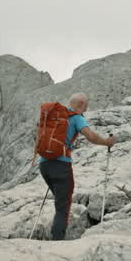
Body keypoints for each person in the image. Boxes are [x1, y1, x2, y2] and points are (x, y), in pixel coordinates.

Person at [39, 92, 114, 241]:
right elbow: (90, 136)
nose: (85, 111)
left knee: (60, 200)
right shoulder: (76, 118)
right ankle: (57, 242)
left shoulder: (53, 116)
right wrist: (106, 142)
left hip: (44, 164)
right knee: (63, 207)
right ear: (80, 105)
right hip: (61, 166)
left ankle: (56, 236)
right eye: (85, 108)